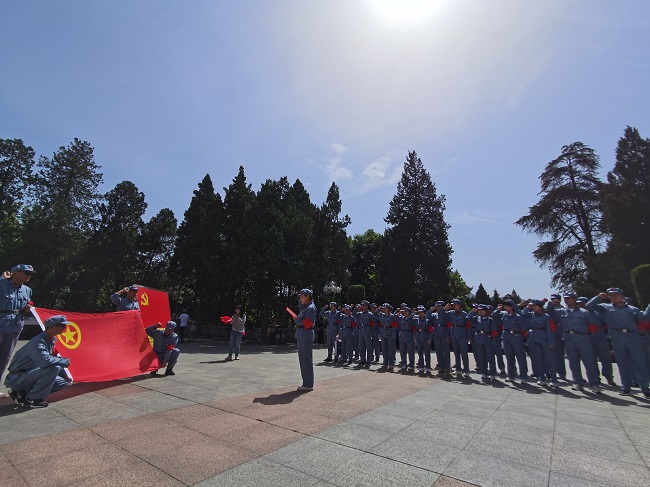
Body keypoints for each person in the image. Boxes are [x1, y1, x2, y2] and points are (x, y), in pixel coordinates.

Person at [586, 288, 650, 397]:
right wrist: (599, 297)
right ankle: (626, 387)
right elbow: (589, 306)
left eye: (616, 294)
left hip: (633, 337)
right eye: (611, 295)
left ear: (622, 295)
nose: (614, 297)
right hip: (617, 337)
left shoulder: (633, 309)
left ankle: (645, 387)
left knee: (639, 363)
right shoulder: (606, 307)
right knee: (622, 363)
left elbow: (644, 318)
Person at [4, 314, 71, 408]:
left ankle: (23, 393)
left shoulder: (48, 340)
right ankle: (33, 399)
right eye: (62, 326)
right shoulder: (38, 342)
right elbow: (45, 361)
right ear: (52, 327)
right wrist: (63, 361)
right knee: (54, 368)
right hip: (17, 377)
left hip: (28, 374)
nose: (64, 328)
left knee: (62, 382)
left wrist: (67, 375)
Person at [547, 292, 600, 393]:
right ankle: (577, 382)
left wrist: (588, 337)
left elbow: (593, 327)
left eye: (569, 298)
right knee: (573, 362)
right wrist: (551, 303)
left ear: (575, 299)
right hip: (569, 338)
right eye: (565, 298)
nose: (567, 300)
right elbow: (549, 311)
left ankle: (593, 384)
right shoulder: (561, 311)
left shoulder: (584, 312)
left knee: (589, 362)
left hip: (583, 338)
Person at [0, 264, 35, 399]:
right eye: (26, 273)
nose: (28, 276)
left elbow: (24, 310)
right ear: (15, 273)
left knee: (4, 358)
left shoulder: (27, 290)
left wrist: (26, 310)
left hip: (15, 327)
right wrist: (2, 279)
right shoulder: (2, 285)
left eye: (30, 274)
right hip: (1, 324)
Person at [521, 299, 557, 388]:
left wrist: (551, 342)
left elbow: (550, 330)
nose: (533, 307)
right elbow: (523, 314)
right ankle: (542, 378)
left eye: (534, 305)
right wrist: (527, 307)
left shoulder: (547, 317)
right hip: (533, 339)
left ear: (540, 307)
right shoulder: (532, 315)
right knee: (537, 359)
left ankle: (553, 379)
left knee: (549, 360)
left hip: (544, 339)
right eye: (532, 305)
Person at [492, 299, 528, 383]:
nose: (505, 307)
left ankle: (523, 377)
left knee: (521, 358)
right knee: (509, 357)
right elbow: (493, 316)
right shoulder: (504, 315)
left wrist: (522, 338)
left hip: (516, 337)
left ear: (512, 307)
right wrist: (498, 309)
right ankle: (511, 375)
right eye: (504, 305)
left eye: (507, 305)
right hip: (507, 338)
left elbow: (523, 329)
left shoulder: (518, 317)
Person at [292, 289, 316, 391]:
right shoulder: (305, 307)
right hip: (301, 335)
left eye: (302, 296)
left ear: (307, 296)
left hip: (305, 335)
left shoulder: (310, 308)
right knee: (303, 360)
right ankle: (306, 382)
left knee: (306, 360)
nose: (300, 298)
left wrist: (297, 320)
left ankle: (308, 384)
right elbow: (301, 304)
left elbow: (308, 323)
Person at [467, 304, 498, 381]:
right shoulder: (476, 318)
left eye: (482, 310)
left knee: (490, 357)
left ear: (486, 311)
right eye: (479, 310)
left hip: (488, 338)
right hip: (479, 339)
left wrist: (494, 340)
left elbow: (494, 331)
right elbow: (467, 318)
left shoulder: (490, 320)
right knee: (481, 357)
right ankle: (484, 372)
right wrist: (473, 312)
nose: (480, 311)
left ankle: (492, 373)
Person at [446, 299, 472, 378]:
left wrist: (469, 336)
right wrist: (445, 308)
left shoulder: (464, 314)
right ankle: (458, 370)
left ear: (459, 305)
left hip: (462, 334)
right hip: (453, 334)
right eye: (453, 305)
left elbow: (468, 326)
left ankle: (466, 370)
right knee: (456, 353)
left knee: (464, 353)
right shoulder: (451, 313)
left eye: (455, 304)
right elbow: (447, 322)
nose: (454, 306)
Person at [354, 300, 375, 367]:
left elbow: (372, 324)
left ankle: (369, 360)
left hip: (367, 330)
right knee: (361, 346)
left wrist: (372, 333)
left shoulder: (370, 315)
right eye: (362, 305)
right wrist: (356, 308)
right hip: (361, 330)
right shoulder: (359, 314)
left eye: (364, 305)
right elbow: (353, 315)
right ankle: (363, 359)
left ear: (367, 306)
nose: (362, 306)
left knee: (369, 346)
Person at [378, 303, 398, 369]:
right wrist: (379, 309)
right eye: (383, 308)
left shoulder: (392, 316)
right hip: (383, 332)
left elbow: (395, 326)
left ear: (389, 309)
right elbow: (375, 314)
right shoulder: (381, 315)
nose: (384, 309)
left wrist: (393, 335)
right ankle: (385, 362)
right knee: (384, 349)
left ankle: (391, 363)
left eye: (385, 308)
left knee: (391, 349)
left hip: (390, 333)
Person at [415, 305, 433, 374]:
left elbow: (431, 330)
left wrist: (430, 339)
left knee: (427, 353)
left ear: (424, 313)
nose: (420, 314)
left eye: (422, 312)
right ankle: (421, 366)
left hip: (426, 337)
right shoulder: (417, 320)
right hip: (419, 337)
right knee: (420, 353)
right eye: (419, 312)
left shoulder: (428, 320)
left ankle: (427, 367)